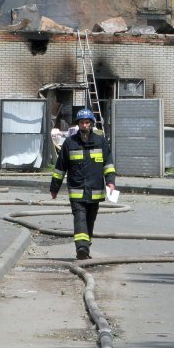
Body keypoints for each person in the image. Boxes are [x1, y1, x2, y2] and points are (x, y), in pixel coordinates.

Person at [50, 108, 116, 260]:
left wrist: (111, 182)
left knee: (90, 220)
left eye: (87, 122)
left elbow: (108, 164)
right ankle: (81, 247)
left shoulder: (101, 142)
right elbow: (60, 169)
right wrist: (54, 188)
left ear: (92, 124)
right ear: (78, 124)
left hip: (95, 191)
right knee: (80, 218)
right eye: (82, 122)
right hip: (77, 190)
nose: (84, 125)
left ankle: (86, 248)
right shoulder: (69, 143)